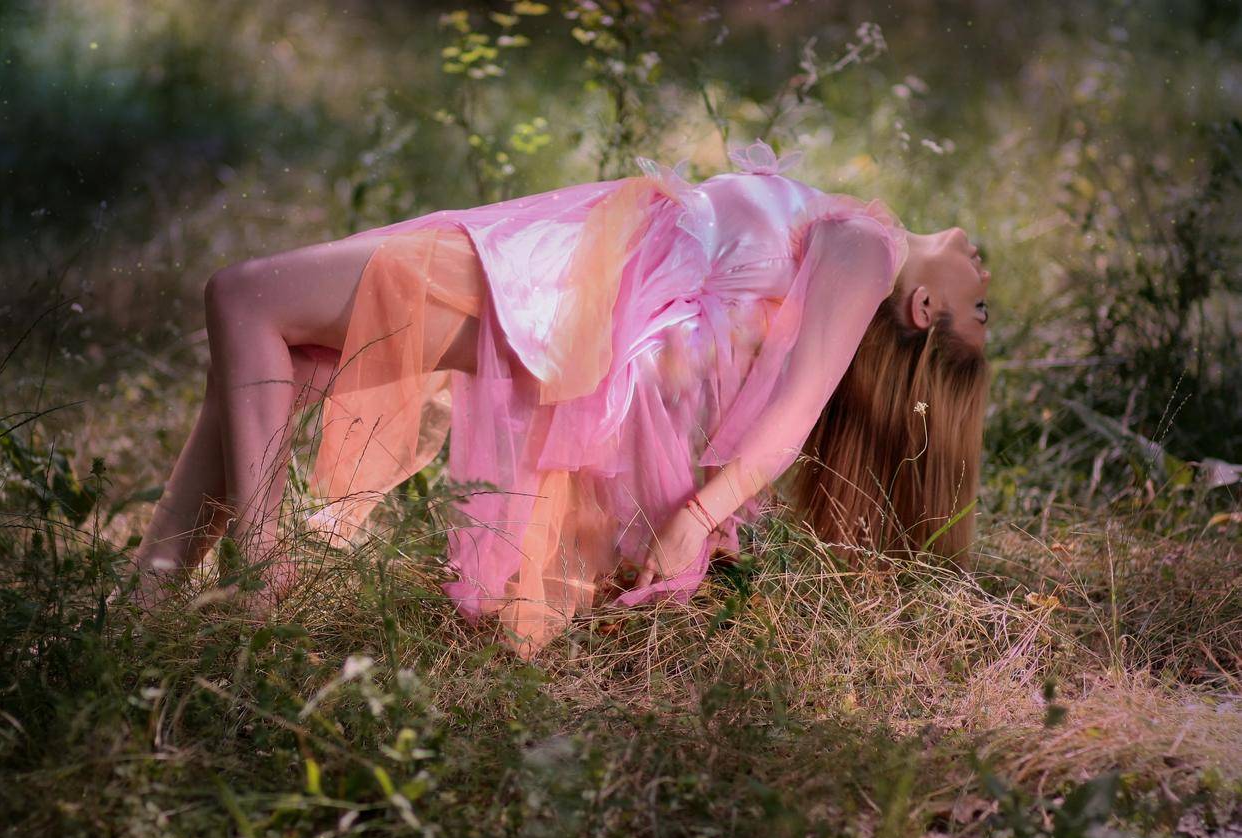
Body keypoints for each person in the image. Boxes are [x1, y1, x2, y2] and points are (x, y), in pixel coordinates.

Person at [127, 138, 991, 658]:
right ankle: (150, 592)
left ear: (925, 309)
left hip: (560, 294)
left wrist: (694, 517)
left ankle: (261, 567)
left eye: (981, 306)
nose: (984, 271)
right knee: (280, 350)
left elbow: (792, 413)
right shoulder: (850, 240)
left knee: (246, 297)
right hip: (561, 267)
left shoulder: (871, 251)